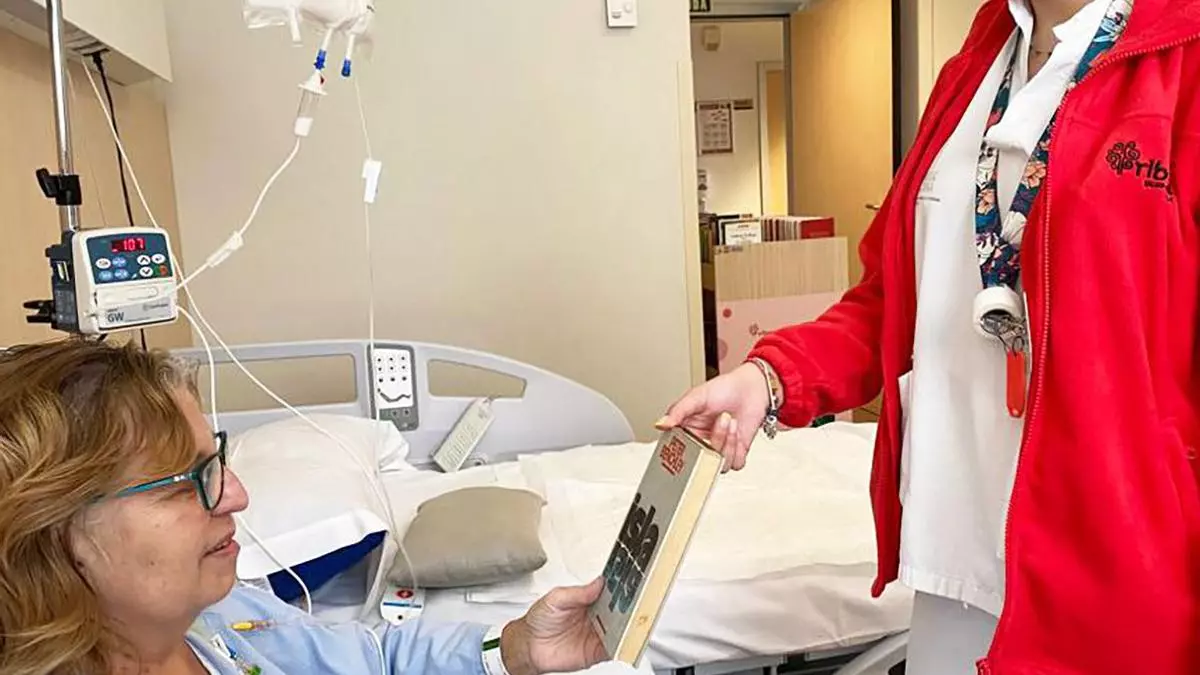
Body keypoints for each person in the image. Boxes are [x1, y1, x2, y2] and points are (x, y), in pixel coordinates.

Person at [660, 0, 1200, 673]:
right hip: (953, 558)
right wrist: (768, 378)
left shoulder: (1181, 63)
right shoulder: (980, 61)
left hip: (1110, 586)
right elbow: (894, 300)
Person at [0, 339, 608, 675]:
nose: (236, 495)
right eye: (186, 482)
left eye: (217, 462)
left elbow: (371, 661)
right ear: (50, 535)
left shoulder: (223, 616)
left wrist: (515, 651)